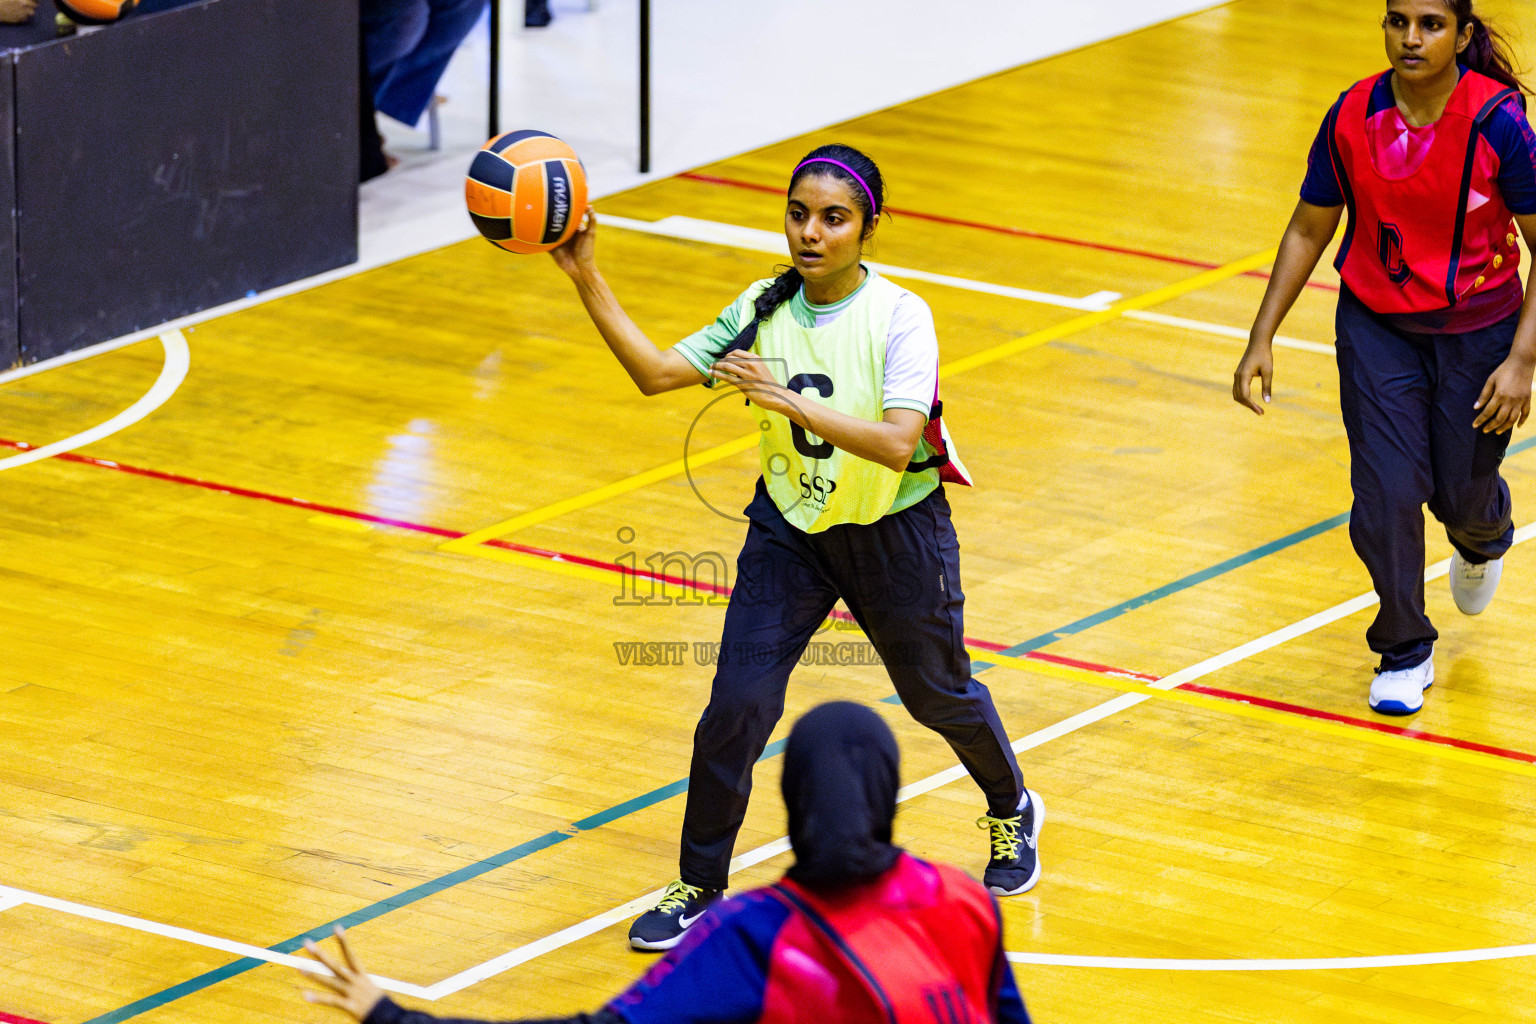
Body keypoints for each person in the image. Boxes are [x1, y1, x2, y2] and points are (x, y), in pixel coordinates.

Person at [550, 143, 1044, 952]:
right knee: (736, 707)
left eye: (833, 219)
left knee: (937, 696)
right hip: (789, 531)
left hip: (895, 529)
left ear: (868, 229)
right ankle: (698, 882)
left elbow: (894, 444)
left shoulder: (901, 316)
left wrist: (790, 404)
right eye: (798, 214)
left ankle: (1010, 809)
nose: (810, 233)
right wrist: (586, 275)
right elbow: (654, 373)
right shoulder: (760, 304)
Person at [297, 702, 1034, 1024]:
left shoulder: (754, 933)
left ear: (790, 796)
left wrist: (392, 1018)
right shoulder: (962, 901)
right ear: (890, 791)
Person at [1233, 0, 1536, 716]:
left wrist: (1522, 360)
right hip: (1376, 326)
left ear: (1462, 36)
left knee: (1459, 495)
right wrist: (1261, 335)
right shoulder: (1351, 115)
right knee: (1386, 495)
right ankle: (1403, 646)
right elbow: (1311, 224)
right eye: (1397, 21)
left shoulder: (1498, 124)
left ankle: (1483, 532)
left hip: (1479, 332)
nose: (1410, 37)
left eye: (1430, 24)